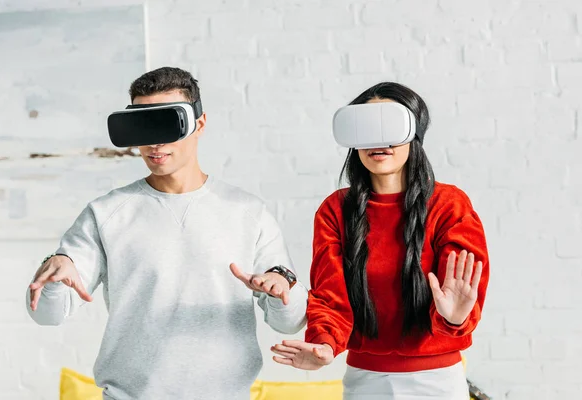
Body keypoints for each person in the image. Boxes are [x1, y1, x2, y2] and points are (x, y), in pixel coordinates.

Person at [26, 66, 308, 400]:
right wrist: (55, 275)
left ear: (199, 124)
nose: (155, 142)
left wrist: (280, 292)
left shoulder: (248, 211)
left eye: (167, 125)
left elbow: (290, 322)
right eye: (145, 126)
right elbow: (48, 315)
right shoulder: (106, 214)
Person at [271, 82, 490, 400]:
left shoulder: (449, 205)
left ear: (414, 131)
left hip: (438, 382)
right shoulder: (335, 211)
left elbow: (462, 302)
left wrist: (454, 317)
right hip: (365, 382)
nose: (379, 142)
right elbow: (331, 298)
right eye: (367, 130)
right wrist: (323, 344)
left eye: (390, 126)